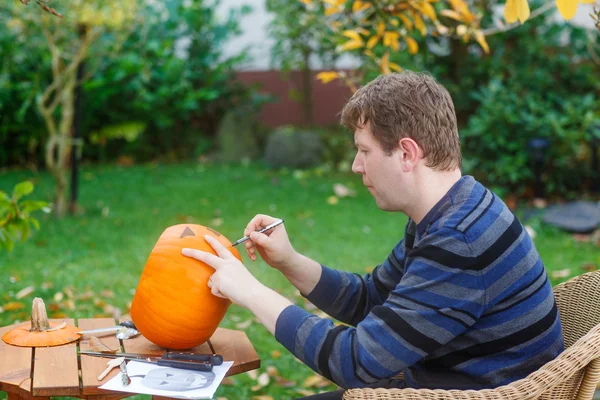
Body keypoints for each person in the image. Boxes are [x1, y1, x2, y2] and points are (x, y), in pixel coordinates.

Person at [182, 71, 564, 399]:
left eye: (364, 151)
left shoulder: (459, 240)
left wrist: (250, 292)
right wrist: (289, 262)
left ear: (407, 154)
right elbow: (369, 299)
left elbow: (355, 362)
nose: (355, 166)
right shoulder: (456, 208)